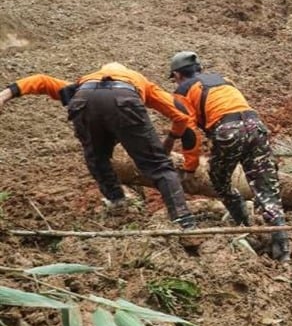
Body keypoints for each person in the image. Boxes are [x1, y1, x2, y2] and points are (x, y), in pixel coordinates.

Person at [0, 63, 196, 229]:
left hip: (84, 99)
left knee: (97, 158)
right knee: (159, 166)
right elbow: (182, 115)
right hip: (125, 99)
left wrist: (4, 95)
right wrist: (176, 144)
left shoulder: (83, 83)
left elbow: (41, 81)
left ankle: (118, 204)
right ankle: (183, 220)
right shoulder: (142, 83)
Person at [167, 52, 290, 261]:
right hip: (255, 126)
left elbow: (189, 132)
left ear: (177, 75)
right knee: (266, 187)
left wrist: (190, 166)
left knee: (220, 180)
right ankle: (282, 245)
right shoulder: (223, 80)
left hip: (228, 130)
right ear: (199, 69)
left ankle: (243, 224)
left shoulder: (182, 91)